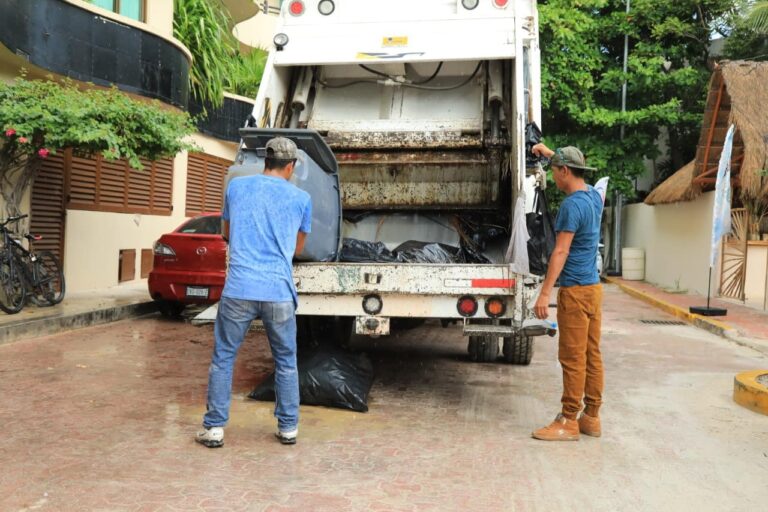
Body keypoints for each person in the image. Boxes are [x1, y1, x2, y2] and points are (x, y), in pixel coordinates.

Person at [196, 137, 312, 448]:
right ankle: (288, 428)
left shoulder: (236, 187)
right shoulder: (302, 199)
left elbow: (227, 233)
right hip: (278, 291)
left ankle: (215, 428)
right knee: (286, 360)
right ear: (290, 166)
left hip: (239, 290)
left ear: (265, 161)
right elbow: (297, 249)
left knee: (223, 358)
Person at [529, 144, 604, 441]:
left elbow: (560, 251)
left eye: (554, 171)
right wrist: (549, 153)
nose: (553, 178)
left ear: (564, 171)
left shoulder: (571, 206)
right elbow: (567, 164)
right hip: (594, 289)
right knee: (592, 354)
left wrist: (544, 294)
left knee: (572, 359)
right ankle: (592, 417)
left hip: (574, 291)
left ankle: (568, 420)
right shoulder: (594, 198)